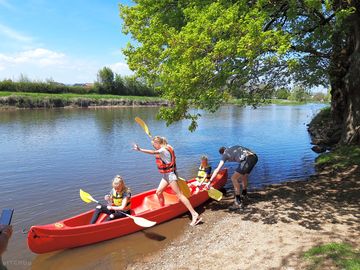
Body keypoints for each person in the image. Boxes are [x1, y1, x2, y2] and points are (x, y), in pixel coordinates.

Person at [133, 136, 202, 226]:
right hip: (166, 175)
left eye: (154, 145)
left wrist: (140, 149)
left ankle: (194, 214)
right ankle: (163, 210)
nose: (154, 147)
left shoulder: (162, 150)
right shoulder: (168, 146)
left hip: (170, 176)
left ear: (158, 143)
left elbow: (153, 152)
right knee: (158, 192)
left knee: (180, 195)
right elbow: (163, 147)